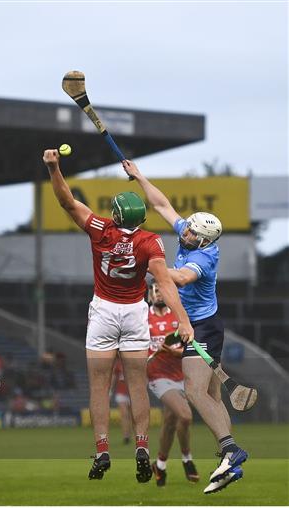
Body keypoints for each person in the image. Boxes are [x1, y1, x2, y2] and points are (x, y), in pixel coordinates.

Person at [43, 149, 194, 483]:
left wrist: (54, 168)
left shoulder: (101, 229)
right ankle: (142, 447)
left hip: (104, 312)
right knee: (138, 384)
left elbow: (68, 202)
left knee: (100, 386)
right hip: (134, 314)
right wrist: (182, 319)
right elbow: (165, 283)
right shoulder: (150, 242)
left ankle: (102, 452)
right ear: (140, 218)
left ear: (115, 214)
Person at [122, 159, 248, 494]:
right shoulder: (193, 235)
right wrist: (140, 177)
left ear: (204, 241)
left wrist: (150, 262)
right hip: (201, 325)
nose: (185, 232)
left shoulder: (202, 259)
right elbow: (162, 204)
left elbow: (179, 277)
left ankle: (231, 452)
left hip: (202, 328)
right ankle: (229, 454)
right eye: (187, 228)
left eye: (192, 233)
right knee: (209, 394)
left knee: (193, 391)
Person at [146, 281, 199, 486]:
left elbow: (189, 348)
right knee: (185, 416)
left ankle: (159, 465)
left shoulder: (179, 316)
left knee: (170, 422)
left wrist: (170, 351)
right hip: (158, 376)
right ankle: (187, 460)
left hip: (181, 375)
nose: (157, 294)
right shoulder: (143, 318)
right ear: (150, 296)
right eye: (153, 291)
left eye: (160, 290)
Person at [110, 359, 133, 445]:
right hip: (121, 392)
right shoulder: (118, 363)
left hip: (132, 392)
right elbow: (114, 377)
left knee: (132, 416)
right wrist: (110, 390)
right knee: (124, 414)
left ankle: (131, 434)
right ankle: (126, 436)